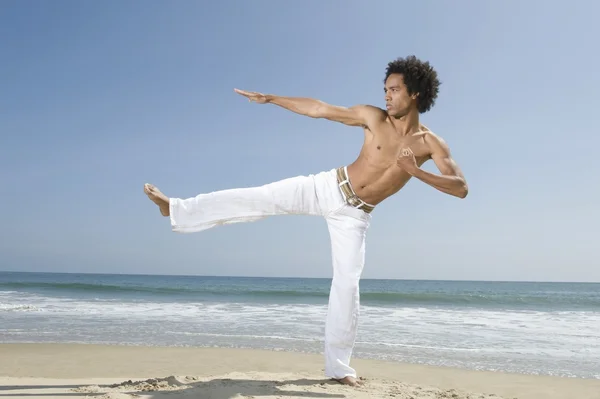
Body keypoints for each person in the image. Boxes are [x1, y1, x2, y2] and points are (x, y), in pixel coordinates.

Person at [143, 55, 468, 387]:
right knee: (259, 197)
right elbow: (319, 108)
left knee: (347, 284)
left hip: (355, 215)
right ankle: (176, 208)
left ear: (415, 93)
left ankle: (339, 368)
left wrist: (416, 172)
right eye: (385, 89)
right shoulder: (373, 117)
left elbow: (461, 188)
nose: (386, 95)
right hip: (327, 187)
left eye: (394, 90)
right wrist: (272, 99)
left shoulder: (430, 144)